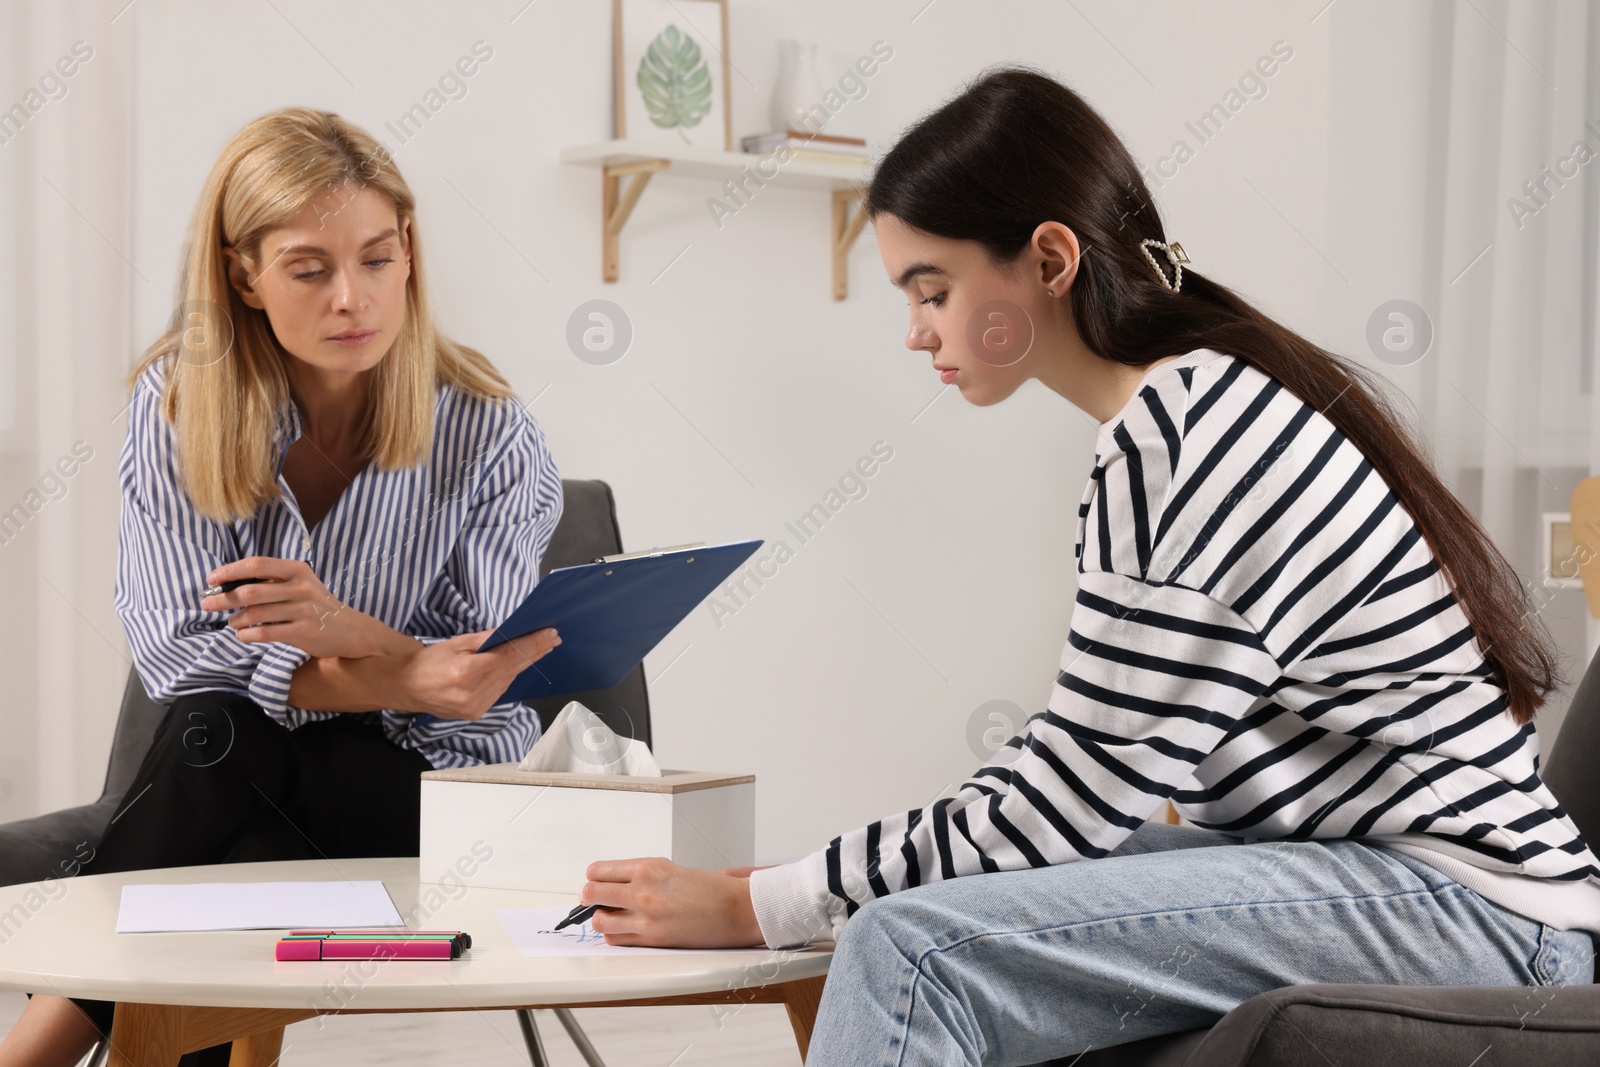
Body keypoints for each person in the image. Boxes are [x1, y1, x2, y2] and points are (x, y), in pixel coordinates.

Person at [574, 68, 1600, 1064]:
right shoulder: (1187, 407)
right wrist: (794, 888)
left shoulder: (1183, 434)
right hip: (1410, 887)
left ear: (1049, 259)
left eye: (931, 288)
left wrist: (763, 900)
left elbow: (1066, 800)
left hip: (1468, 908)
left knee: (911, 950)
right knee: (913, 916)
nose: (914, 330)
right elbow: (1077, 773)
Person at [0, 107, 564, 1067]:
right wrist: (398, 665)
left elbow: (474, 684)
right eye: (311, 269)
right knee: (235, 798)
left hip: (431, 795)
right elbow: (183, 654)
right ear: (243, 275)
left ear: (410, 251)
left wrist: (347, 631)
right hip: (233, 764)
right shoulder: (180, 405)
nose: (354, 298)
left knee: (219, 750)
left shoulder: (490, 432)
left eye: (379, 258)